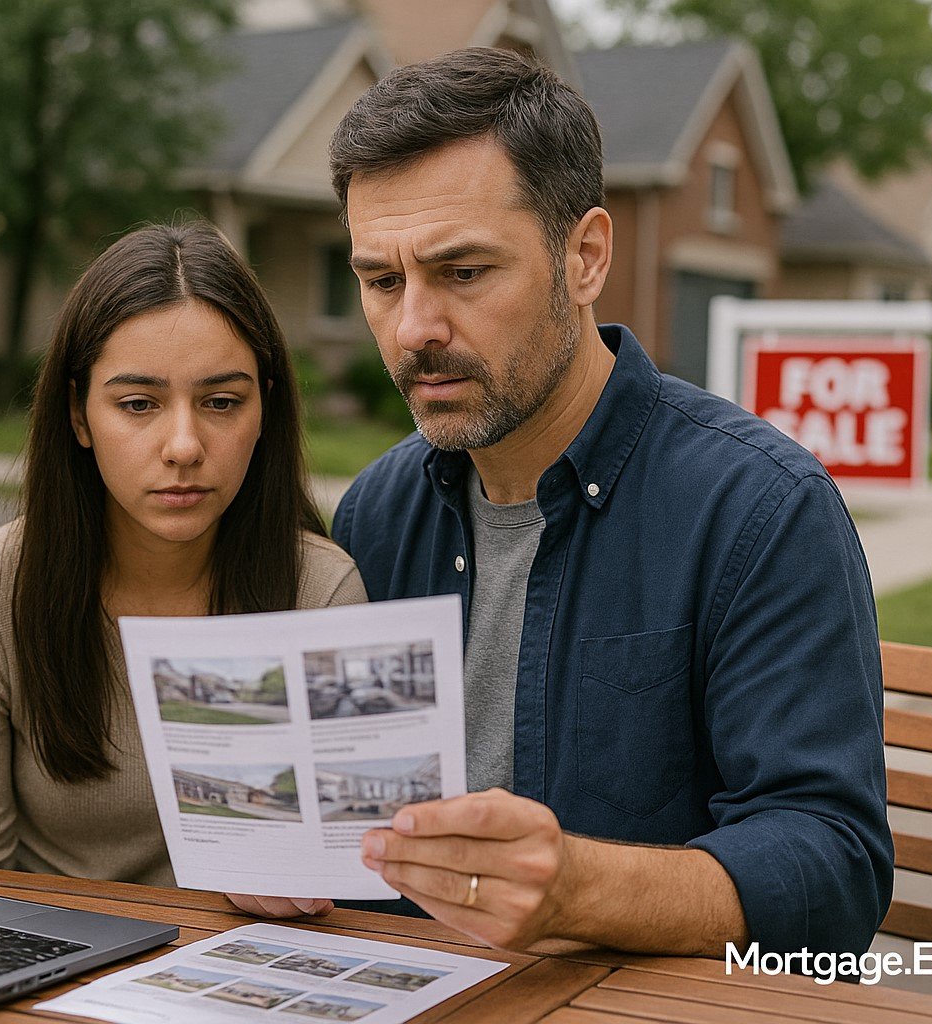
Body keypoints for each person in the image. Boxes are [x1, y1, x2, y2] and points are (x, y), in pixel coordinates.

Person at [326, 48, 892, 957]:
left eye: (463, 272)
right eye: (382, 281)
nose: (413, 329)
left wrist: (582, 889)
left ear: (585, 256)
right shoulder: (377, 514)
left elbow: (834, 866)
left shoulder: (761, 509)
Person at [0, 222, 366, 919]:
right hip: (50, 970)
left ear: (265, 410)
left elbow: (339, 868)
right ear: (78, 413)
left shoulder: (320, 593)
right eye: (138, 404)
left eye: (222, 402)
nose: (184, 445)